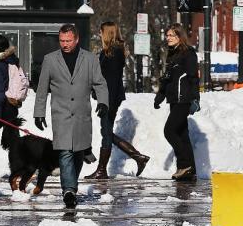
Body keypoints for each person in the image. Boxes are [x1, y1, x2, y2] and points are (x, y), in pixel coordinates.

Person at [34, 24, 109, 212]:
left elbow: (100, 83)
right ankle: (68, 191)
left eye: (68, 41)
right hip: (61, 114)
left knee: (78, 152)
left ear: (76, 40)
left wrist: (103, 102)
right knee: (65, 152)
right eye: (62, 41)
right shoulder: (50, 60)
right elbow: (42, 89)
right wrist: (39, 112)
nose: (65, 44)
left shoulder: (90, 59)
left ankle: (71, 186)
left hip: (82, 114)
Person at [85, 21, 149, 179]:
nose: (99, 34)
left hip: (109, 98)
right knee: (106, 132)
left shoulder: (112, 53)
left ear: (105, 33)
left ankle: (104, 170)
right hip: (109, 97)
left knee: (106, 134)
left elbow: (112, 81)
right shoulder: (112, 51)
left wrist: (105, 102)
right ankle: (137, 157)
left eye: (100, 32)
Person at [154, 23, 200, 181]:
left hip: (184, 99)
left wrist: (195, 98)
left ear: (180, 37)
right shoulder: (171, 54)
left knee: (169, 131)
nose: (168, 38)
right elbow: (168, 78)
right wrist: (160, 96)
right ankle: (190, 169)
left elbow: (194, 77)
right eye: (167, 36)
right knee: (182, 134)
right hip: (174, 98)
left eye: (171, 35)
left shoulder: (188, 54)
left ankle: (184, 164)